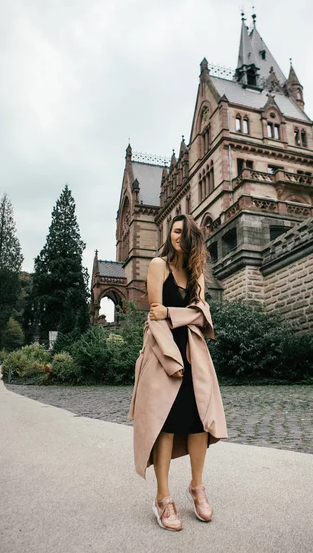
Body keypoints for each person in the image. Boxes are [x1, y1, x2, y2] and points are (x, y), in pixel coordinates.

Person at [128, 214, 227, 532]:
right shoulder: (158, 265)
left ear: (192, 238)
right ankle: (162, 498)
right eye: (174, 230)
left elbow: (202, 315)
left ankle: (197, 487)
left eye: (184, 232)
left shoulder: (196, 272)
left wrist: (173, 312)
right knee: (165, 426)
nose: (177, 236)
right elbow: (154, 320)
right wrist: (172, 359)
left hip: (195, 354)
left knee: (200, 424)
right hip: (163, 355)